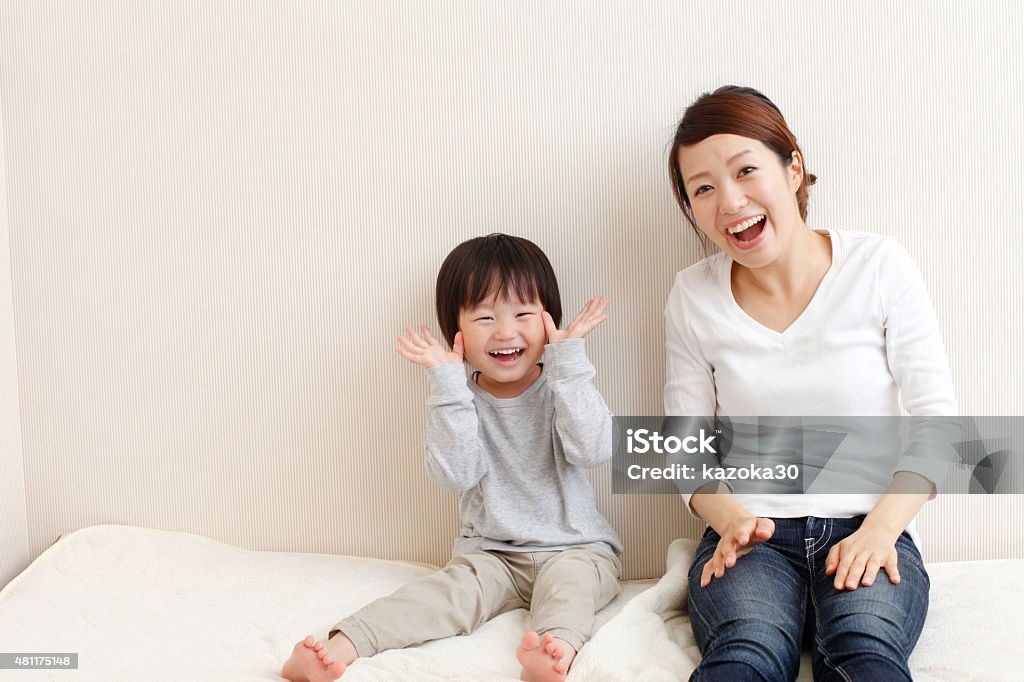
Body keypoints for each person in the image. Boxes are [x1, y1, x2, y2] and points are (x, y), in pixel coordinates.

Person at [664, 86, 957, 681]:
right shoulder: (691, 295)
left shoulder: (878, 265)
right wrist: (730, 521)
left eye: (747, 170)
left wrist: (879, 532)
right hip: (751, 537)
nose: (730, 201)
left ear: (793, 167)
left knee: (864, 649)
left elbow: (940, 424)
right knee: (744, 653)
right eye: (703, 188)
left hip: (865, 522)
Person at [282, 233, 622, 682]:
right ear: (455, 330)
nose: (504, 332)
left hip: (577, 548)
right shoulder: (458, 400)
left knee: (570, 590)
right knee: (441, 596)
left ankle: (553, 652)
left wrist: (570, 362)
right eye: (484, 317)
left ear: (548, 321)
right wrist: (447, 387)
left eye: (523, 314)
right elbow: (454, 474)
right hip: (491, 554)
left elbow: (594, 448)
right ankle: (339, 646)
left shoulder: (564, 383)